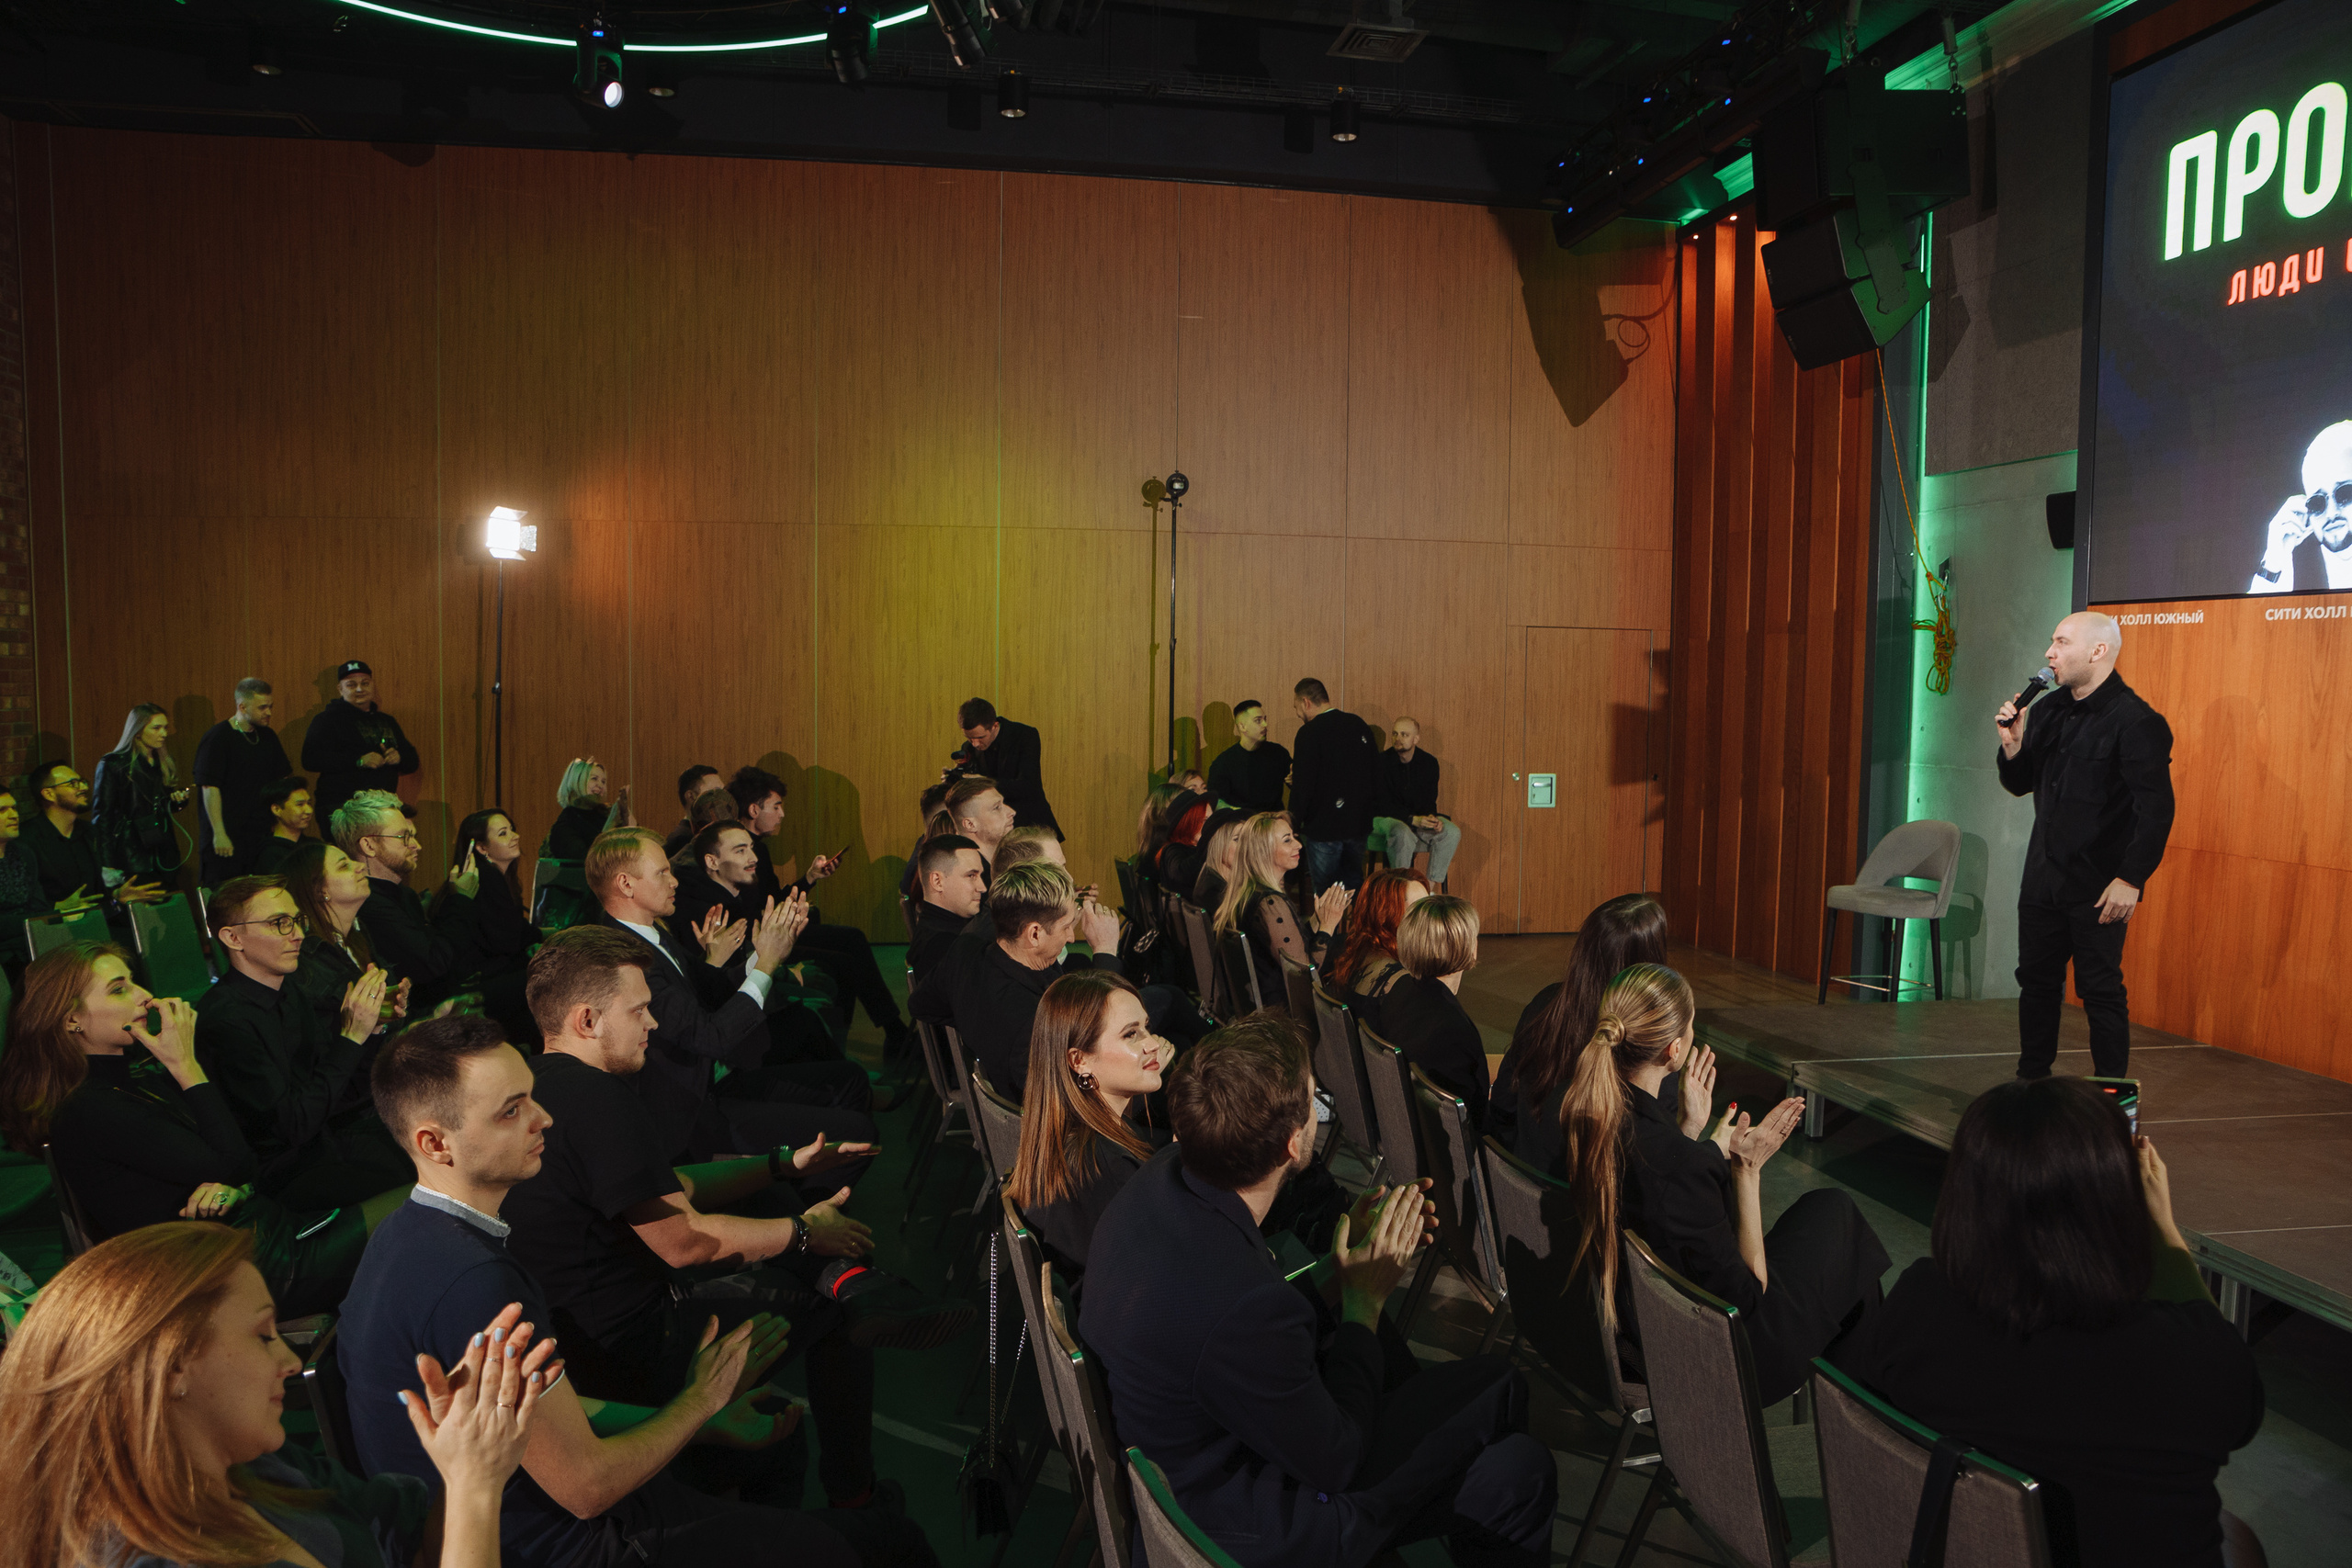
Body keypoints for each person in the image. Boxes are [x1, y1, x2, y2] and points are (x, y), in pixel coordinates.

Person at [340, 1015, 931, 1567]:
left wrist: (703, 1421)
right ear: (435, 1144)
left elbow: (548, 1413)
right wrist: (700, 1400)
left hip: (524, 1522)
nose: (543, 1119)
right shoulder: (477, 1282)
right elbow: (585, 1489)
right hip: (574, 1545)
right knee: (893, 1544)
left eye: (532, 1097)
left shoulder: (407, 1235)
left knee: (774, 1445)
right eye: (511, 1111)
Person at [503, 928, 965, 1513]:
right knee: (828, 1315)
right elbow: (685, 1241)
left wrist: (781, 1165)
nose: (654, 1024)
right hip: (633, 1346)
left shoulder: (542, 1085)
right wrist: (804, 1232)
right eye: (640, 1010)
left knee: (788, 1244)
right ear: (587, 1020)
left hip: (593, 1332)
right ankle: (856, 1499)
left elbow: (672, 1189)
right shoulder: (600, 1099)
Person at [1080, 1015, 1555, 1566]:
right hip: (1251, 1525)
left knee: (1501, 1397)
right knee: (1519, 1463)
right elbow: (1337, 1459)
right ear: (1292, 1143)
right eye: (1312, 1099)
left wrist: (1335, 1273)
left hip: (1205, 1464)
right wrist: (1363, 1303)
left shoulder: (1159, 1180)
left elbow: (1231, 1342)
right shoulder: (1241, 1301)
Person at [1835, 1077, 2265, 1568]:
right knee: (2241, 1541)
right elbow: (2242, 1413)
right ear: (2112, 1202)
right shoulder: (2184, 1357)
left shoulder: (1919, 1302)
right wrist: (2165, 1233)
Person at [0, 1222, 545, 1568]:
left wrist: (459, 1464)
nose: (288, 1362)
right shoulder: (147, 1559)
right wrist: (476, 1485)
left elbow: (418, 1552)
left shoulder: (259, 1464)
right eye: (263, 1335)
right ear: (172, 1365)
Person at [0, 942, 403, 1314]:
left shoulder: (132, 1080)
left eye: (134, 981)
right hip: (249, 1268)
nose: (144, 995)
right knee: (443, 1202)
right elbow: (236, 1164)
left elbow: (235, 1160)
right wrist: (184, 1065)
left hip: (262, 1235)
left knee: (430, 1192)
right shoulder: (88, 1108)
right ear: (71, 1019)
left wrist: (233, 1188)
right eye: (119, 989)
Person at [1556, 963, 1887, 1404]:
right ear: (1674, 1051)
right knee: (1846, 1235)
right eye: (1692, 1026)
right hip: (1717, 1359)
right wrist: (1744, 1171)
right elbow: (1747, 1297)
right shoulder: (1676, 1166)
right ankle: (1859, 1415)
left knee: (1831, 1215)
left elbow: (1662, 1195)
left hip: (1640, 1324)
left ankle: (1859, 1411)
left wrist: (1691, 1133)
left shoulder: (1590, 1117)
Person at [583, 828, 873, 1168]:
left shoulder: (648, 934)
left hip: (714, 1080)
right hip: (694, 1112)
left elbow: (702, 989)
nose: (674, 881)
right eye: (662, 873)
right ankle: (802, 1205)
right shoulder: (627, 957)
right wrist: (765, 964)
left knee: (850, 1078)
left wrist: (762, 954)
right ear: (626, 884)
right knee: (858, 1128)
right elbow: (711, 1037)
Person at [1996, 611, 2176, 1079]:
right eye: (2051, 641)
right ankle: (2032, 1089)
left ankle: (2116, 1110)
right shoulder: (2050, 710)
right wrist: (2013, 746)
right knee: (2036, 984)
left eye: (2060, 642)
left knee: (2100, 990)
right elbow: (2020, 784)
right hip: (2042, 880)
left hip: (2099, 886)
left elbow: (2156, 811)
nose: (2048, 653)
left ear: (2098, 652)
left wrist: (2131, 879)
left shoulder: (2137, 722)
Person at [195, 874, 413, 1206]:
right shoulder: (225, 1020)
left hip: (323, 1144)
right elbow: (292, 1127)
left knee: (435, 1147)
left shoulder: (290, 991)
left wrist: (371, 1029)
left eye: (297, 920)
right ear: (233, 937)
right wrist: (351, 1036)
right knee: (421, 1185)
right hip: (279, 1175)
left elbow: (337, 1095)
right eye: (279, 923)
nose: (298, 934)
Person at [726, 765, 910, 1057]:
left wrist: (810, 877)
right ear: (753, 809)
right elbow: (767, 907)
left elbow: (772, 900)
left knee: (851, 941)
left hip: (771, 931)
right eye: (776, 806)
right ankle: (874, 1038)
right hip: (763, 942)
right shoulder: (750, 851)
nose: (782, 814)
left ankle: (891, 1031)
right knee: (847, 952)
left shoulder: (755, 847)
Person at [1488, 892, 1668, 1177]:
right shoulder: (1649, 1046)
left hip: (1520, 1190)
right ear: (1651, 964)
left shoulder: (1545, 1005)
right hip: (1590, 1211)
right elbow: (1653, 1171)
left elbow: (1501, 1108)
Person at [1002, 970, 1169, 1277]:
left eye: (1146, 1027)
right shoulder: (1105, 1167)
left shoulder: (1073, 1128)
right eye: (1130, 1034)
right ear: (1079, 1061)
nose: (1153, 1044)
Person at [670, 818, 847, 1068]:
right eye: (740, 851)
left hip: (750, 989)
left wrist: (808, 880)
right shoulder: (711, 913)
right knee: (811, 1010)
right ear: (712, 862)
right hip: (733, 1019)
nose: (753, 857)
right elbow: (718, 989)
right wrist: (780, 969)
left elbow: (763, 918)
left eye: (751, 848)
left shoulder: (738, 892)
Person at [949, 861, 1125, 1099]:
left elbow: (920, 1005)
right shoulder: (1031, 1018)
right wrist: (1105, 952)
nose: (1072, 937)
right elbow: (1100, 1035)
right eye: (1066, 927)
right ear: (1034, 934)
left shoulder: (975, 955)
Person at [340, 789, 481, 1014]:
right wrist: (461, 900)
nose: (417, 845)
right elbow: (431, 964)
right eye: (404, 837)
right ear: (368, 846)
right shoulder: (368, 902)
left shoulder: (402, 893)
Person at [1214, 813, 1350, 1010]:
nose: (1299, 845)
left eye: (1294, 837)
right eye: (1287, 840)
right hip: (1283, 1011)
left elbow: (1291, 947)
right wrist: (1328, 926)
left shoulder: (1248, 891)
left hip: (1263, 1000)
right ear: (1264, 851)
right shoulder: (1270, 902)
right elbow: (1305, 973)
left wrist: (1317, 920)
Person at [282, 839, 413, 1040]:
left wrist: (398, 1015)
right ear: (320, 890)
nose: (360, 867)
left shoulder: (357, 936)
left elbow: (378, 1027)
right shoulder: (309, 955)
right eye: (344, 866)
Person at [1378, 897, 1488, 1127]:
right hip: (1452, 1147)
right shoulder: (1453, 1029)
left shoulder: (1400, 991)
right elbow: (1473, 1116)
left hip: (1406, 1129)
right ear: (1468, 947)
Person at [437, 807, 543, 1037]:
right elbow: (506, 939)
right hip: (476, 981)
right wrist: (537, 943)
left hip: (484, 973)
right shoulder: (487, 876)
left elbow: (512, 930)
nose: (515, 836)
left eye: (512, 830)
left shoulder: (497, 877)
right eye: (503, 833)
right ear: (482, 848)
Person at [193, 677, 295, 885]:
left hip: (259, 832)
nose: (269, 712)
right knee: (227, 893)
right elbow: (209, 787)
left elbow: (282, 779)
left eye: (270, 706)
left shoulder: (267, 736)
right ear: (242, 706)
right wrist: (219, 833)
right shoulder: (219, 738)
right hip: (228, 834)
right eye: (262, 707)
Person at [1288, 678, 1379, 893]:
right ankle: (1358, 926)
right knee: (1356, 886)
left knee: (1326, 893)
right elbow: (1375, 773)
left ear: (1306, 702)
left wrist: (1293, 822)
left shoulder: (1308, 733)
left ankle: (1329, 928)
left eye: (1296, 708)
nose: (1297, 714)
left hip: (1323, 829)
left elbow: (1304, 785)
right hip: (1358, 825)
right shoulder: (1358, 724)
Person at [91, 702, 194, 886]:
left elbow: (159, 805)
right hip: (132, 853)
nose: (163, 734)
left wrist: (177, 802)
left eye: (165, 728)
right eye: (156, 728)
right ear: (137, 731)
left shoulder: (160, 761)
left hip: (162, 851)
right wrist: (107, 865)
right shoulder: (114, 764)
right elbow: (102, 818)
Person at [304, 660, 421, 820]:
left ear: (373, 686)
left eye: (365, 683)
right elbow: (310, 759)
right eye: (351, 685)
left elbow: (412, 761)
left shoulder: (387, 721)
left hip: (383, 807)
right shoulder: (326, 720)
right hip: (342, 808)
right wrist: (358, 761)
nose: (360, 689)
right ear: (340, 689)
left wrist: (399, 757)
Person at [1323, 868, 1431, 1034]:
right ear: (1384, 914)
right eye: (1418, 907)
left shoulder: (1358, 949)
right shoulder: (1397, 979)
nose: (1429, 915)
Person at [2248, 418, 2352, 592]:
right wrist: (2274, 563)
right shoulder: (2304, 565)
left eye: (2344, 493)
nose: (2331, 513)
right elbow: (2248, 620)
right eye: (2317, 502)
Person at [1371, 717, 1462, 890]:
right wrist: (1412, 819)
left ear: (1416, 739)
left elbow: (1428, 801)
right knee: (1402, 832)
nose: (1398, 738)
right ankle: (1402, 890)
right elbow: (1381, 804)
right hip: (1385, 818)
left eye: (1404, 735)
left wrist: (1431, 819)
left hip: (1416, 819)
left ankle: (1427, 888)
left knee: (1451, 832)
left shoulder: (1429, 763)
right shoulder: (1381, 763)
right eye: (1395, 734)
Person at [953, 697, 1059, 834]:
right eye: (969, 738)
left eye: (980, 738)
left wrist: (983, 783)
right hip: (993, 830)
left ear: (994, 726)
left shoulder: (1024, 736)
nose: (975, 744)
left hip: (1029, 824)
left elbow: (1028, 786)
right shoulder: (968, 748)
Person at [907, 833, 987, 982]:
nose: (982, 887)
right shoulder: (943, 946)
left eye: (980, 876)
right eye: (971, 876)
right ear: (937, 881)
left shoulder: (936, 933)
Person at [1204, 698, 1292, 814]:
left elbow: (1296, 783)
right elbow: (1216, 800)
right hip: (1242, 824)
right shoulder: (1224, 763)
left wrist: (1294, 781)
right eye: (1258, 721)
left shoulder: (1279, 753)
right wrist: (1238, 812)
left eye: (1265, 719)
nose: (1265, 725)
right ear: (1242, 727)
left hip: (1275, 822)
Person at [0, 784, 63, 942]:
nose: (14, 815)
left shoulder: (22, 852)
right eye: (2, 810)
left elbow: (38, 905)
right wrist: (54, 917)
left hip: (29, 940)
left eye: (14, 808)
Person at [545, 757, 630, 862]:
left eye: (603, 781)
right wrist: (610, 825)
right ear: (576, 781)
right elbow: (587, 862)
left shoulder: (604, 814)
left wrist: (625, 815)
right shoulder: (566, 823)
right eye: (594, 779)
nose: (600, 785)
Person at [247, 774, 318, 876]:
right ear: (277, 809)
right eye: (300, 804)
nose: (309, 810)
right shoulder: (269, 855)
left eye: (309, 803)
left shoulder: (314, 846)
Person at [665, 764, 725, 855]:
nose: (723, 798)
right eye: (714, 792)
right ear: (691, 796)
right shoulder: (681, 840)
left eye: (723, 791)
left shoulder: (714, 832)